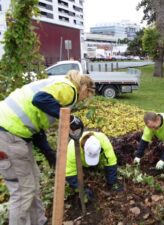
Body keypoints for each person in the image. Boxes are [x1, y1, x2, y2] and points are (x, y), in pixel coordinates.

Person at [0, 70, 94, 225]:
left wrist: (48, 152)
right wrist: (70, 119)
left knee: (33, 184)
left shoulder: (57, 83)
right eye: (87, 96)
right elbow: (40, 99)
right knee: (23, 193)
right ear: (85, 89)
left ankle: (39, 221)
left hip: (18, 136)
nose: (84, 100)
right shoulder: (69, 89)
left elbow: (35, 118)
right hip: (7, 135)